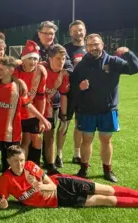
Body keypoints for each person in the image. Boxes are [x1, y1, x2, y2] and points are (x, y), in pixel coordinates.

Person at [0, 145, 138, 209]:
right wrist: (2, 203)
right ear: (8, 161)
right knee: (105, 200)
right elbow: (2, 202)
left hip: (64, 184)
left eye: (21, 160)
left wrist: (40, 187)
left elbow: (52, 185)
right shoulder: (6, 179)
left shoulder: (31, 166)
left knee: (107, 190)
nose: (20, 164)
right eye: (15, 161)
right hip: (60, 201)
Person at [72, 34, 138, 182]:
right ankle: (83, 169)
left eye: (96, 44)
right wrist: (79, 87)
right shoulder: (81, 65)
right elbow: (72, 87)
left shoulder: (113, 61)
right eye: (90, 45)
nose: (93, 48)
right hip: (87, 109)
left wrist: (128, 53)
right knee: (86, 140)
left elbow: (135, 69)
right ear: (86, 47)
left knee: (106, 140)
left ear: (102, 45)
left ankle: (107, 170)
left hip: (108, 109)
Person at [0, 56, 51, 190]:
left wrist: (42, 118)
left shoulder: (18, 87)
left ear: (11, 70)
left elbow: (28, 105)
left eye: (2, 69)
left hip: (12, 132)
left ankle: (7, 184)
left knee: (8, 160)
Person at [13, 40, 47, 166]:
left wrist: (41, 118)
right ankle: (20, 168)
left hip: (32, 113)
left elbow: (41, 96)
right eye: (30, 59)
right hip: (16, 112)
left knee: (37, 140)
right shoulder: (16, 71)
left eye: (35, 59)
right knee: (23, 142)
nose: (33, 62)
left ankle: (34, 168)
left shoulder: (40, 72)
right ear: (23, 60)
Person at [41, 45, 70, 176]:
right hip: (33, 107)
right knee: (30, 137)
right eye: (58, 58)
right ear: (50, 58)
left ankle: (51, 165)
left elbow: (63, 94)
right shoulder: (40, 67)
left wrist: (64, 116)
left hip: (52, 106)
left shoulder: (63, 74)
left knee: (50, 135)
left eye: (63, 58)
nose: (61, 61)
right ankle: (30, 163)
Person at [62, 20, 88, 165]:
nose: (78, 33)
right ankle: (58, 153)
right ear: (70, 33)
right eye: (75, 30)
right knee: (64, 123)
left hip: (85, 94)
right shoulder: (65, 49)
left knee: (79, 124)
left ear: (85, 31)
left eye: (81, 30)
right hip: (69, 93)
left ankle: (76, 154)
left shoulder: (90, 48)